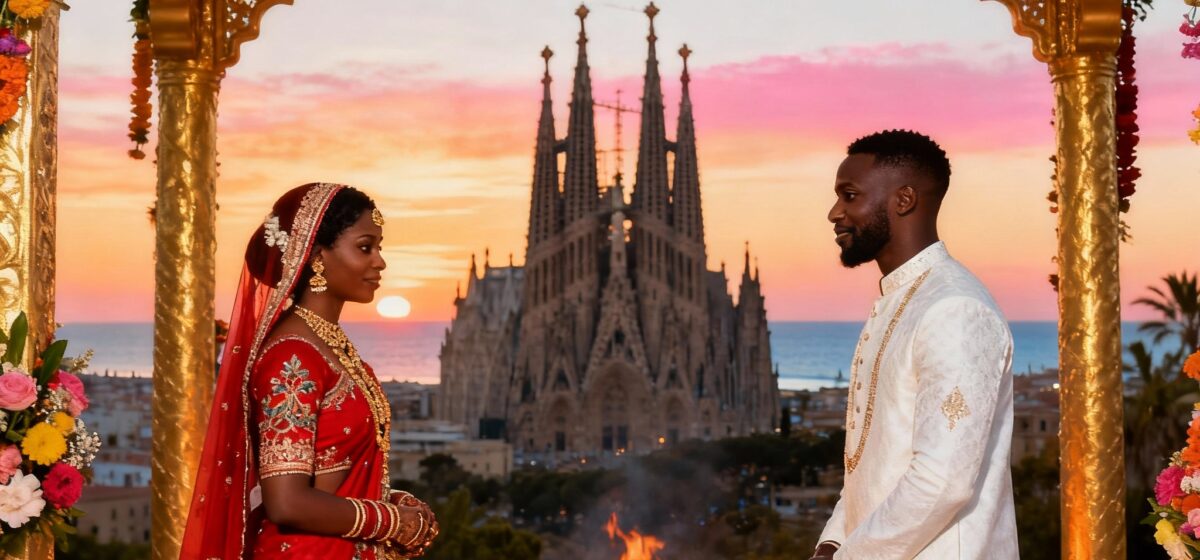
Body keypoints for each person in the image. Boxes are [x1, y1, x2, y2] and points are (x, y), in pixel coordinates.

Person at [181, 183, 438, 559]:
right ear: (317, 256)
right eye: (365, 247)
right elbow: (287, 502)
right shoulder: (292, 358)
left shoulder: (327, 345)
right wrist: (392, 522)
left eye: (379, 248)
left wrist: (396, 502)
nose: (379, 261)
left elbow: (332, 471)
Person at [811, 131, 1017, 559]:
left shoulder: (954, 307)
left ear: (903, 200)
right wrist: (831, 543)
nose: (835, 213)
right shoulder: (901, 300)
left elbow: (944, 480)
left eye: (849, 196)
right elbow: (868, 464)